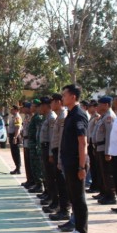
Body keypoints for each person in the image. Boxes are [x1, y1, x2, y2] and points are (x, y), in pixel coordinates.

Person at [59, 84, 89, 233]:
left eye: (64, 95)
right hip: (68, 162)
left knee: (79, 198)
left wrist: (82, 167)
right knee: (73, 197)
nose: (62, 97)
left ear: (73, 97)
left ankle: (83, 232)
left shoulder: (79, 114)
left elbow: (82, 142)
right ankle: (77, 229)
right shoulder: (70, 114)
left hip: (77, 163)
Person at [49, 94, 70, 222]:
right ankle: (61, 208)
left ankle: (65, 210)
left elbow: (62, 139)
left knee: (62, 183)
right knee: (58, 181)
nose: (51, 105)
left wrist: (59, 157)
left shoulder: (63, 116)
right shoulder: (59, 117)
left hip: (61, 152)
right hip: (57, 151)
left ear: (57, 102)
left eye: (52, 102)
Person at [93, 97, 117, 205]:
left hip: (104, 149)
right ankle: (104, 193)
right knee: (102, 173)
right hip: (99, 148)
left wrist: (108, 152)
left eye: (100, 104)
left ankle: (111, 196)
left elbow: (109, 136)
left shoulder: (109, 117)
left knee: (107, 173)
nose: (98, 106)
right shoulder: (103, 117)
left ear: (106, 105)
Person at [38, 96, 58, 213]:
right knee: (48, 175)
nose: (40, 107)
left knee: (51, 176)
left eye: (42, 105)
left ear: (46, 105)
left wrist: (51, 153)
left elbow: (52, 138)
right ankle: (51, 197)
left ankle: (54, 200)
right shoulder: (47, 117)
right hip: (45, 148)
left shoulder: (51, 118)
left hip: (49, 149)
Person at [26, 99, 44, 193]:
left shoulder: (38, 118)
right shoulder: (34, 117)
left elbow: (38, 132)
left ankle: (39, 184)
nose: (30, 107)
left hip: (35, 144)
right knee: (33, 165)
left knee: (37, 166)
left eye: (32, 106)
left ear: (36, 107)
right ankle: (36, 183)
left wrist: (37, 144)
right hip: (32, 144)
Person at [20, 102, 34, 187]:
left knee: (30, 162)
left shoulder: (32, 117)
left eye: (24, 107)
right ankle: (29, 179)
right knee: (27, 162)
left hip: (30, 142)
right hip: (25, 141)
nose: (23, 109)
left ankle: (32, 181)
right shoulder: (26, 117)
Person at [8, 105, 23, 175]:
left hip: (15, 135)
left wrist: (15, 137)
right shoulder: (13, 117)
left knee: (16, 152)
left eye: (12, 109)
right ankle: (17, 167)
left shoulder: (17, 117)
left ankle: (18, 168)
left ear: (16, 110)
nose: (11, 110)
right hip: (12, 135)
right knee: (13, 152)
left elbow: (17, 128)